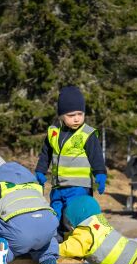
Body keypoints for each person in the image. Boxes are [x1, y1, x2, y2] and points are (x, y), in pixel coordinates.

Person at [34, 85, 107, 235]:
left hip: (79, 187)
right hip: (58, 187)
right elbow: (45, 153)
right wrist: (40, 170)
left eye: (80, 114)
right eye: (71, 115)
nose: (77, 118)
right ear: (61, 115)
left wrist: (100, 173)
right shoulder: (53, 132)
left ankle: (80, 241)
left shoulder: (87, 134)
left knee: (75, 217)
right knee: (56, 215)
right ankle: (56, 241)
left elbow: (96, 156)